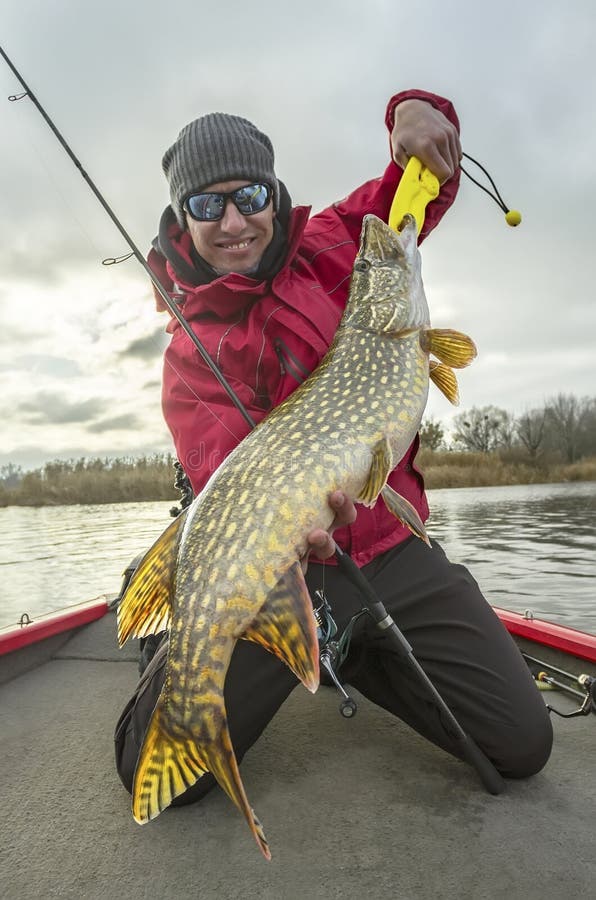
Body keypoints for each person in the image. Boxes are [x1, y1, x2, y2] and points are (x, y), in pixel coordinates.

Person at [114, 90, 553, 805]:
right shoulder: (189, 360)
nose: (233, 221)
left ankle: (361, 649)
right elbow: (234, 484)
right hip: (278, 570)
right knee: (160, 775)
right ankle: (170, 635)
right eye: (206, 205)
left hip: (389, 551)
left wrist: (413, 112)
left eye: (250, 195)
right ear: (181, 218)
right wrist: (291, 537)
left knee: (520, 747)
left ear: (274, 193)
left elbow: (413, 195)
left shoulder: (339, 244)